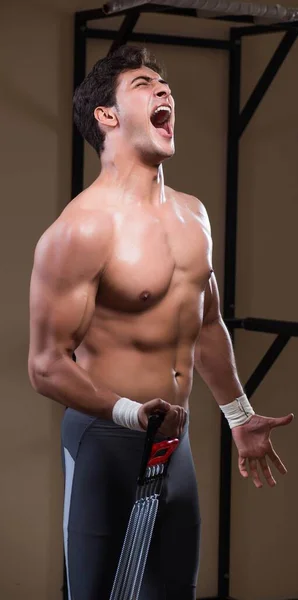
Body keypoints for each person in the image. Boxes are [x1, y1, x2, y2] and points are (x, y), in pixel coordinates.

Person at [28, 46, 293, 600]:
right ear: (107, 116)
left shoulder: (193, 215)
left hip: (176, 444)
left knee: (174, 591)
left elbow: (209, 324)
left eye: (166, 85)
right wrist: (127, 412)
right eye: (145, 84)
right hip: (105, 441)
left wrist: (239, 416)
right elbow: (46, 366)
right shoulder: (80, 230)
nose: (164, 91)